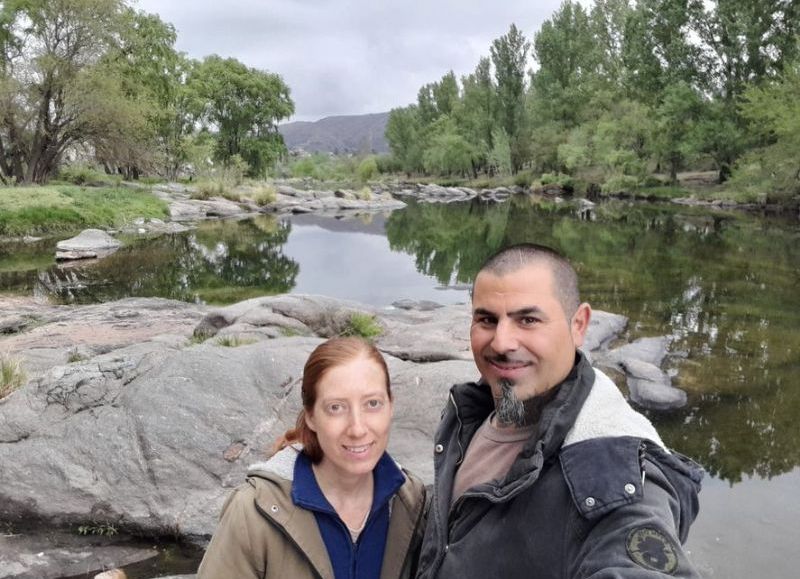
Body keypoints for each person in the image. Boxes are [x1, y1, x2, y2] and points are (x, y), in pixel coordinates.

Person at [415, 243, 704, 579]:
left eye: (528, 319)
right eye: (487, 319)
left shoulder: (615, 474)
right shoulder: (471, 408)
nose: (502, 342)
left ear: (579, 324)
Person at [198, 336, 427, 579]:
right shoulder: (253, 511)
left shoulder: (409, 502)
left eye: (372, 403)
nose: (357, 428)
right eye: (336, 408)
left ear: (391, 406)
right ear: (311, 416)